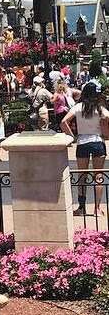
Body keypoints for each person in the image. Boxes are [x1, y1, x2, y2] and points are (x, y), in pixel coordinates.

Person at [61, 82, 109, 218]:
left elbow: (63, 122)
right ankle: (97, 208)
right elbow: (107, 118)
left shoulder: (78, 107)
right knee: (98, 175)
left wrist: (72, 137)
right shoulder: (100, 108)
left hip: (82, 141)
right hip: (97, 141)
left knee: (82, 176)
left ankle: (81, 207)